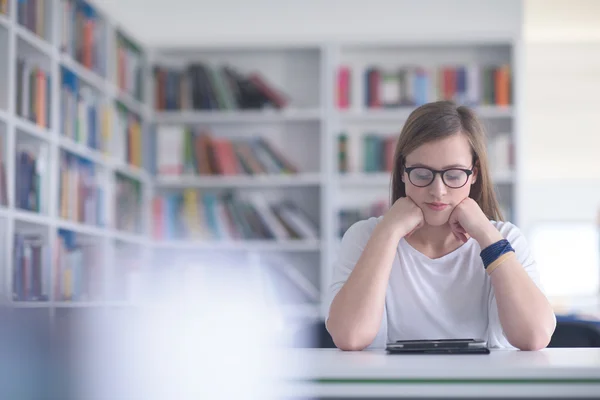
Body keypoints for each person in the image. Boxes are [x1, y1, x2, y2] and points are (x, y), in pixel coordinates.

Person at [326, 101, 556, 351]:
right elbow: (350, 337)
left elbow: (534, 336)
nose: (438, 191)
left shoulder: (504, 237)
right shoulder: (364, 236)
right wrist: (388, 233)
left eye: (454, 174)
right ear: (403, 172)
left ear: (474, 173)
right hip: (392, 388)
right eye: (423, 174)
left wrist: (487, 235)